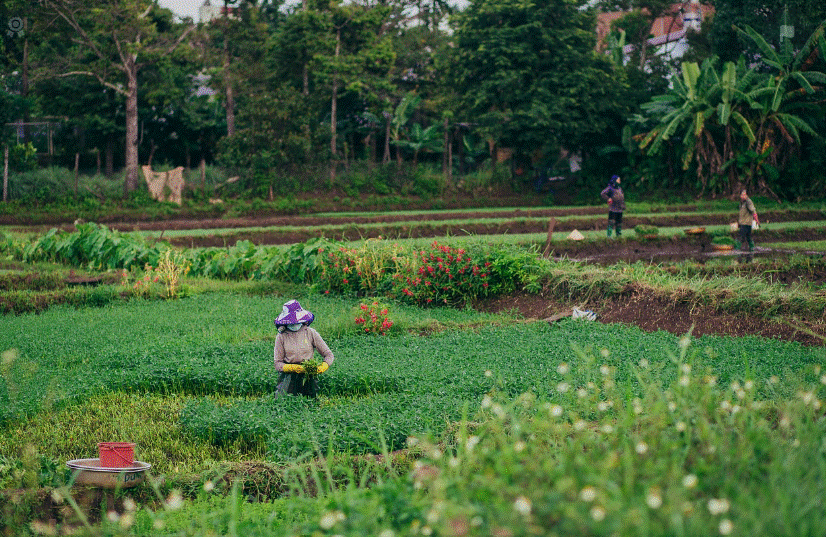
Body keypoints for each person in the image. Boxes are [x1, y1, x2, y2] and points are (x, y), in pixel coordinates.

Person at [273, 299, 334, 398]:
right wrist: (292, 368)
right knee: (284, 402)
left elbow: (328, 354)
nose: (294, 324)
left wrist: (323, 365)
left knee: (310, 402)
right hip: (288, 375)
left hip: (309, 373)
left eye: (296, 322)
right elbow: (277, 363)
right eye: (291, 322)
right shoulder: (281, 336)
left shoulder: (310, 332)